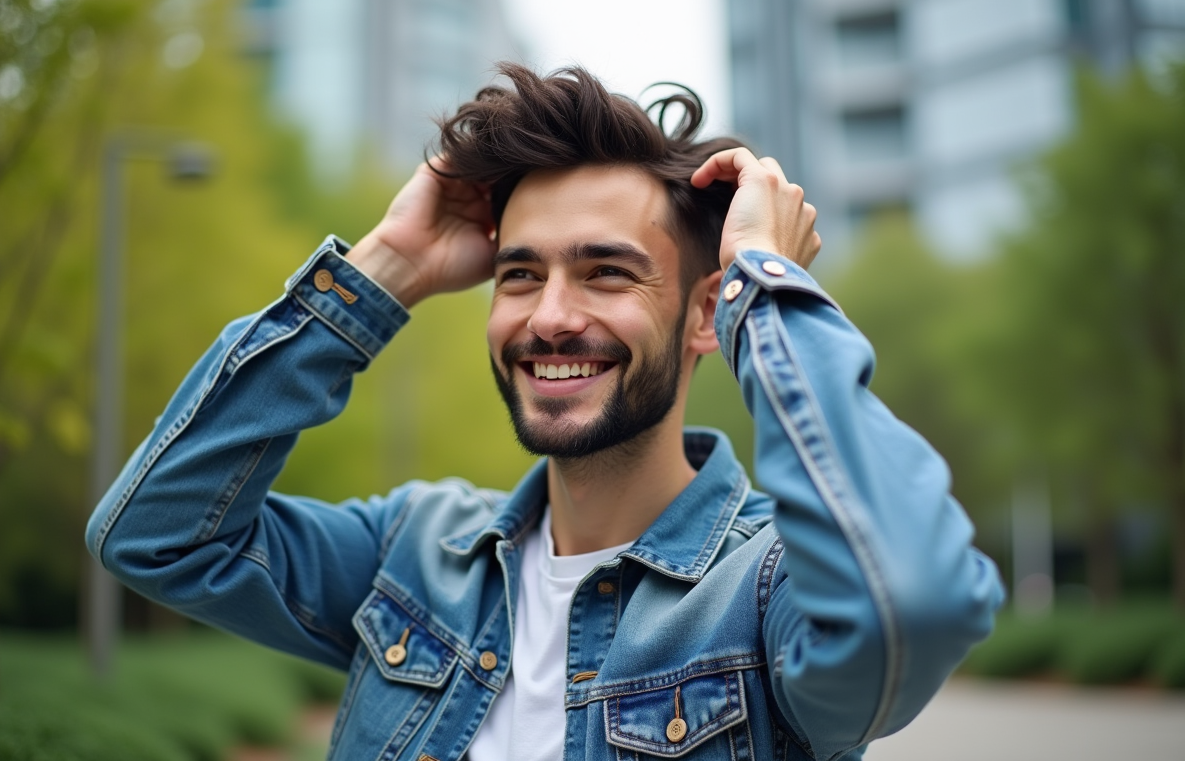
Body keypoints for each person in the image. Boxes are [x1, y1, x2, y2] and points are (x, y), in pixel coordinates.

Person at [86, 64, 1003, 761]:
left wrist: (767, 280)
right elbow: (156, 535)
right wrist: (387, 268)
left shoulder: (764, 593)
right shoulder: (412, 553)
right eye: (521, 273)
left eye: (605, 271)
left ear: (703, 316)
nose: (549, 315)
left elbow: (908, 604)